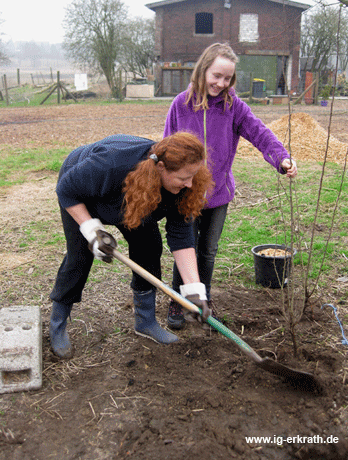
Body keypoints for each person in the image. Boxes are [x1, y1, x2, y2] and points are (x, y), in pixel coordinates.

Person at [164, 43, 298, 330]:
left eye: (227, 79)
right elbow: (166, 146)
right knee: (186, 247)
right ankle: (178, 300)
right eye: (216, 76)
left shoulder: (233, 107)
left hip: (218, 195)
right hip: (185, 194)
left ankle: (204, 301)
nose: (221, 83)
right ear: (203, 70)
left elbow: (260, 133)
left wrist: (282, 158)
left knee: (207, 252)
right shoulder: (180, 104)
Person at [49, 132, 213, 358]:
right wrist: (92, 230)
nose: (190, 183)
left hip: (136, 200)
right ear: (161, 168)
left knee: (149, 247)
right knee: (79, 258)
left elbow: (182, 237)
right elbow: (66, 190)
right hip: (84, 193)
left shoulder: (184, 187)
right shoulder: (112, 164)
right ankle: (57, 325)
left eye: (194, 175)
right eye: (184, 178)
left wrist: (194, 291)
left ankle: (145, 322)